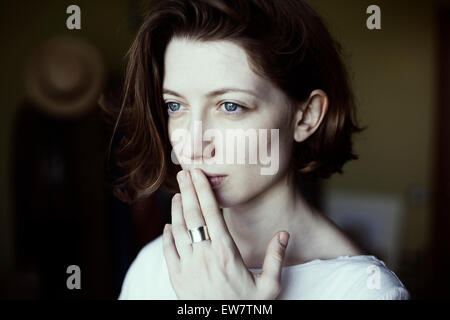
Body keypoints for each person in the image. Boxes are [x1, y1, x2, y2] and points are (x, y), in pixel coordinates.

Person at [112, 0, 410, 299]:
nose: (192, 143)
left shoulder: (366, 290)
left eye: (230, 106)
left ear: (305, 117)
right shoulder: (153, 266)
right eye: (175, 106)